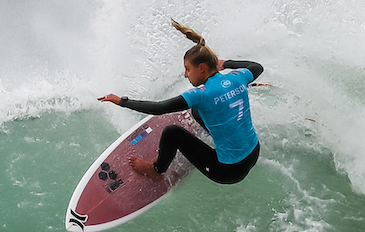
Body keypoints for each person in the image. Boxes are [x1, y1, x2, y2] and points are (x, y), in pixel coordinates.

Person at [98, 20, 264, 184]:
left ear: (202, 68)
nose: (186, 75)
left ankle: (156, 170)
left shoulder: (202, 94)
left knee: (172, 133)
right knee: (197, 111)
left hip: (228, 170)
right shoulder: (238, 77)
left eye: (187, 69)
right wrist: (226, 63)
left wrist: (122, 101)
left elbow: (159, 108)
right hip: (254, 152)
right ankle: (217, 136)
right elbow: (257, 66)